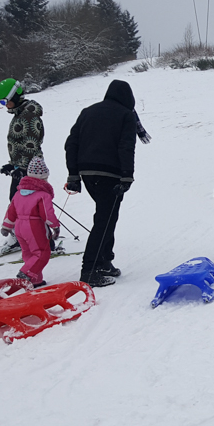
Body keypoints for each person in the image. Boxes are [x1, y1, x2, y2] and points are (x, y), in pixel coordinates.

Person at [64, 79, 140, 287]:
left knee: (106, 216)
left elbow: (72, 143)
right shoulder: (126, 115)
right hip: (111, 174)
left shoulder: (88, 111)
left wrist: (73, 174)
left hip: (87, 173)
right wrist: (127, 175)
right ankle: (89, 270)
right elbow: (126, 146)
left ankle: (105, 261)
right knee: (105, 220)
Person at [1, 157, 61, 287]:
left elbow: (11, 210)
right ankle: (26, 273)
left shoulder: (18, 193)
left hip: (19, 227)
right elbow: (47, 214)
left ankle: (35, 280)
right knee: (41, 253)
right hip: (34, 226)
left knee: (29, 254)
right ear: (43, 178)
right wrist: (55, 226)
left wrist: (6, 226)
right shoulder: (43, 195)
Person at [0, 78, 45, 204]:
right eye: (1, 102)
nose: (5, 105)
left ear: (15, 96)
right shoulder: (19, 114)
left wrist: (23, 169)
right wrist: (13, 164)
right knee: (17, 204)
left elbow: (30, 145)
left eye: (5, 101)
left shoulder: (28, 116)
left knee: (27, 207)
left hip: (31, 170)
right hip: (23, 167)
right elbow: (19, 143)